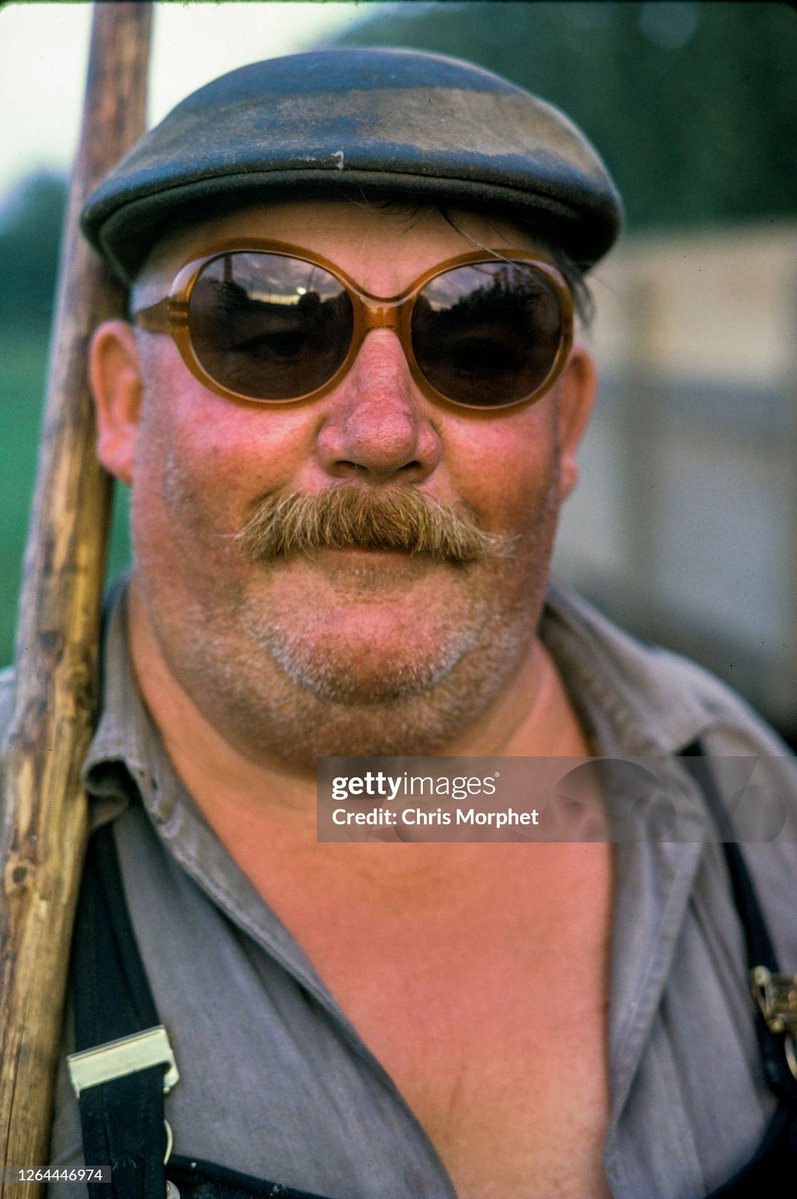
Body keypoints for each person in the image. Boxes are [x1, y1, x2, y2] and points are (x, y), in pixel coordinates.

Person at [3, 46, 795, 1199]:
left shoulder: (748, 805)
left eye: (482, 336)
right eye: (268, 328)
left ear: (563, 421)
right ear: (122, 404)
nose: (380, 431)